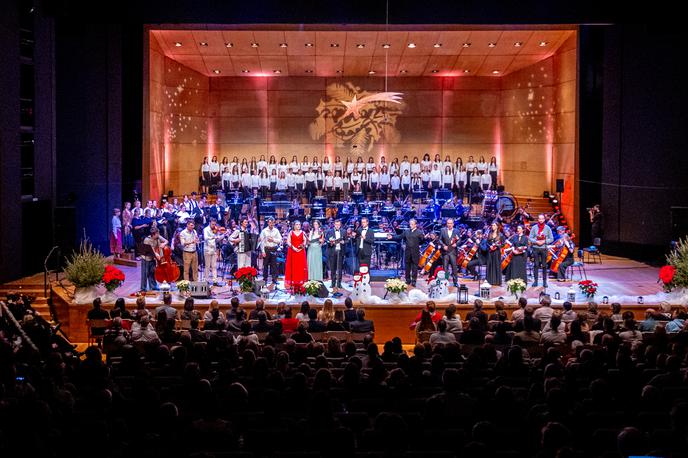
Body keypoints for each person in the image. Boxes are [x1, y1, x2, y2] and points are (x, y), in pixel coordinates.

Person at [387, 218, 427, 287]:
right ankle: (407, 280)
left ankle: (414, 281)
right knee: (407, 267)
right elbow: (399, 237)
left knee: (415, 267)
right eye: (410, 224)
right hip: (408, 252)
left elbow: (422, 241)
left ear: (415, 225)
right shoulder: (406, 231)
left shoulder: (419, 232)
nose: (410, 225)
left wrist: (424, 239)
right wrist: (392, 237)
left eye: (412, 224)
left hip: (415, 252)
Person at [529, 213, 554, 287]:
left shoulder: (547, 228)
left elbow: (551, 238)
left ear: (544, 219)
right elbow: (530, 237)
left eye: (542, 218)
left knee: (544, 265)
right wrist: (536, 241)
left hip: (544, 249)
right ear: (538, 219)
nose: (541, 220)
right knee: (536, 265)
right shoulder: (534, 227)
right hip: (536, 248)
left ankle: (544, 282)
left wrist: (544, 241)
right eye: (539, 218)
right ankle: (535, 281)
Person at [141, 227, 167, 292]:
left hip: (152, 258)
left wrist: (164, 244)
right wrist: (157, 256)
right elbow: (152, 251)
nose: (159, 234)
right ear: (153, 234)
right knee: (145, 274)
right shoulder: (147, 240)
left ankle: (153, 286)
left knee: (152, 273)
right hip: (146, 258)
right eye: (157, 233)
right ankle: (143, 288)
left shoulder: (158, 237)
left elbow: (166, 241)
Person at [284, 220, 308, 289]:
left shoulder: (303, 232)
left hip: (300, 251)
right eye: (297, 224)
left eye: (299, 224)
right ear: (294, 225)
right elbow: (288, 242)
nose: (298, 226)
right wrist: (293, 248)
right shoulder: (291, 232)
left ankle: (300, 281)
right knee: (293, 266)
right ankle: (293, 281)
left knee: (300, 266)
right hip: (292, 251)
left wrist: (302, 246)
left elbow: (305, 241)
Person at [258, 217, 282, 284]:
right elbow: (261, 242)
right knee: (265, 265)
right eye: (270, 222)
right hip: (266, 249)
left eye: (273, 222)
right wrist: (263, 251)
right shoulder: (264, 231)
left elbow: (280, 240)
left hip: (274, 249)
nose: (271, 224)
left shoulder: (276, 231)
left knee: (274, 265)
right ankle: (265, 279)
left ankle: (274, 279)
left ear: (274, 223)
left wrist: (273, 240)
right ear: (268, 223)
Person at [325, 219, 347, 293]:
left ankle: (339, 283)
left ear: (340, 225)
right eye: (336, 224)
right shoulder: (330, 231)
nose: (337, 226)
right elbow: (326, 240)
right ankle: (333, 283)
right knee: (333, 268)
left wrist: (344, 241)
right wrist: (331, 242)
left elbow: (346, 240)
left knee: (340, 268)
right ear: (334, 224)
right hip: (332, 251)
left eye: (339, 225)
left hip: (340, 251)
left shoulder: (344, 231)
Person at [439, 218, 461, 286]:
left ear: (453, 224)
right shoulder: (442, 230)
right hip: (445, 252)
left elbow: (459, 240)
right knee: (445, 268)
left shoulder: (456, 231)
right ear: (446, 224)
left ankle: (455, 282)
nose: (449, 225)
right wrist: (443, 246)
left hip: (453, 252)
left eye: (451, 223)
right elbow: (440, 240)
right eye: (448, 223)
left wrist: (456, 244)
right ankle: (446, 281)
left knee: (454, 267)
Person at [483, 222, 504, 286]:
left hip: (497, 252)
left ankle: (497, 281)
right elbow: (487, 243)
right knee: (490, 265)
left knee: (496, 265)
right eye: (492, 225)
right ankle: (489, 280)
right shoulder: (490, 234)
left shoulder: (501, 235)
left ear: (497, 226)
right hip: (490, 251)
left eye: (494, 225)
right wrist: (490, 246)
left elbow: (503, 244)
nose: (492, 226)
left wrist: (497, 246)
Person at [202, 218, 221, 284]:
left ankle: (215, 281)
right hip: (207, 249)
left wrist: (221, 236)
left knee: (214, 266)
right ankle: (206, 280)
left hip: (214, 249)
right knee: (207, 266)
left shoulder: (215, 230)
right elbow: (206, 238)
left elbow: (217, 240)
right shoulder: (206, 229)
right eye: (212, 224)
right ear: (209, 223)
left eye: (215, 224)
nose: (214, 226)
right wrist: (214, 236)